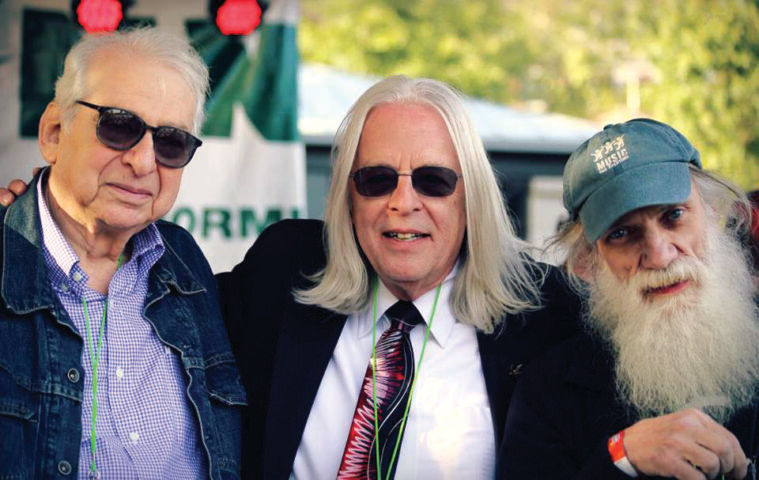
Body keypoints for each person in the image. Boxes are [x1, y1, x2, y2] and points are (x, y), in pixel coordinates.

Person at [217, 75, 581, 479]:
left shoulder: (549, 311)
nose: (403, 203)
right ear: (348, 196)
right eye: (377, 180)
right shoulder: (284, 270)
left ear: (470, 196)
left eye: (433, 181)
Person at [0, 28, 246, 479]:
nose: (144, 161)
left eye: (171, 141)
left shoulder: (185, 263)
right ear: (54, 132)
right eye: (119, 126)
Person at [499, 119, 759, 479]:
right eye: (622, 233)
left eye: (674, 216)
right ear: (588, 261)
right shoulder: (549, 389)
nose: (660, 255)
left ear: (712, 211)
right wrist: (621, 457)